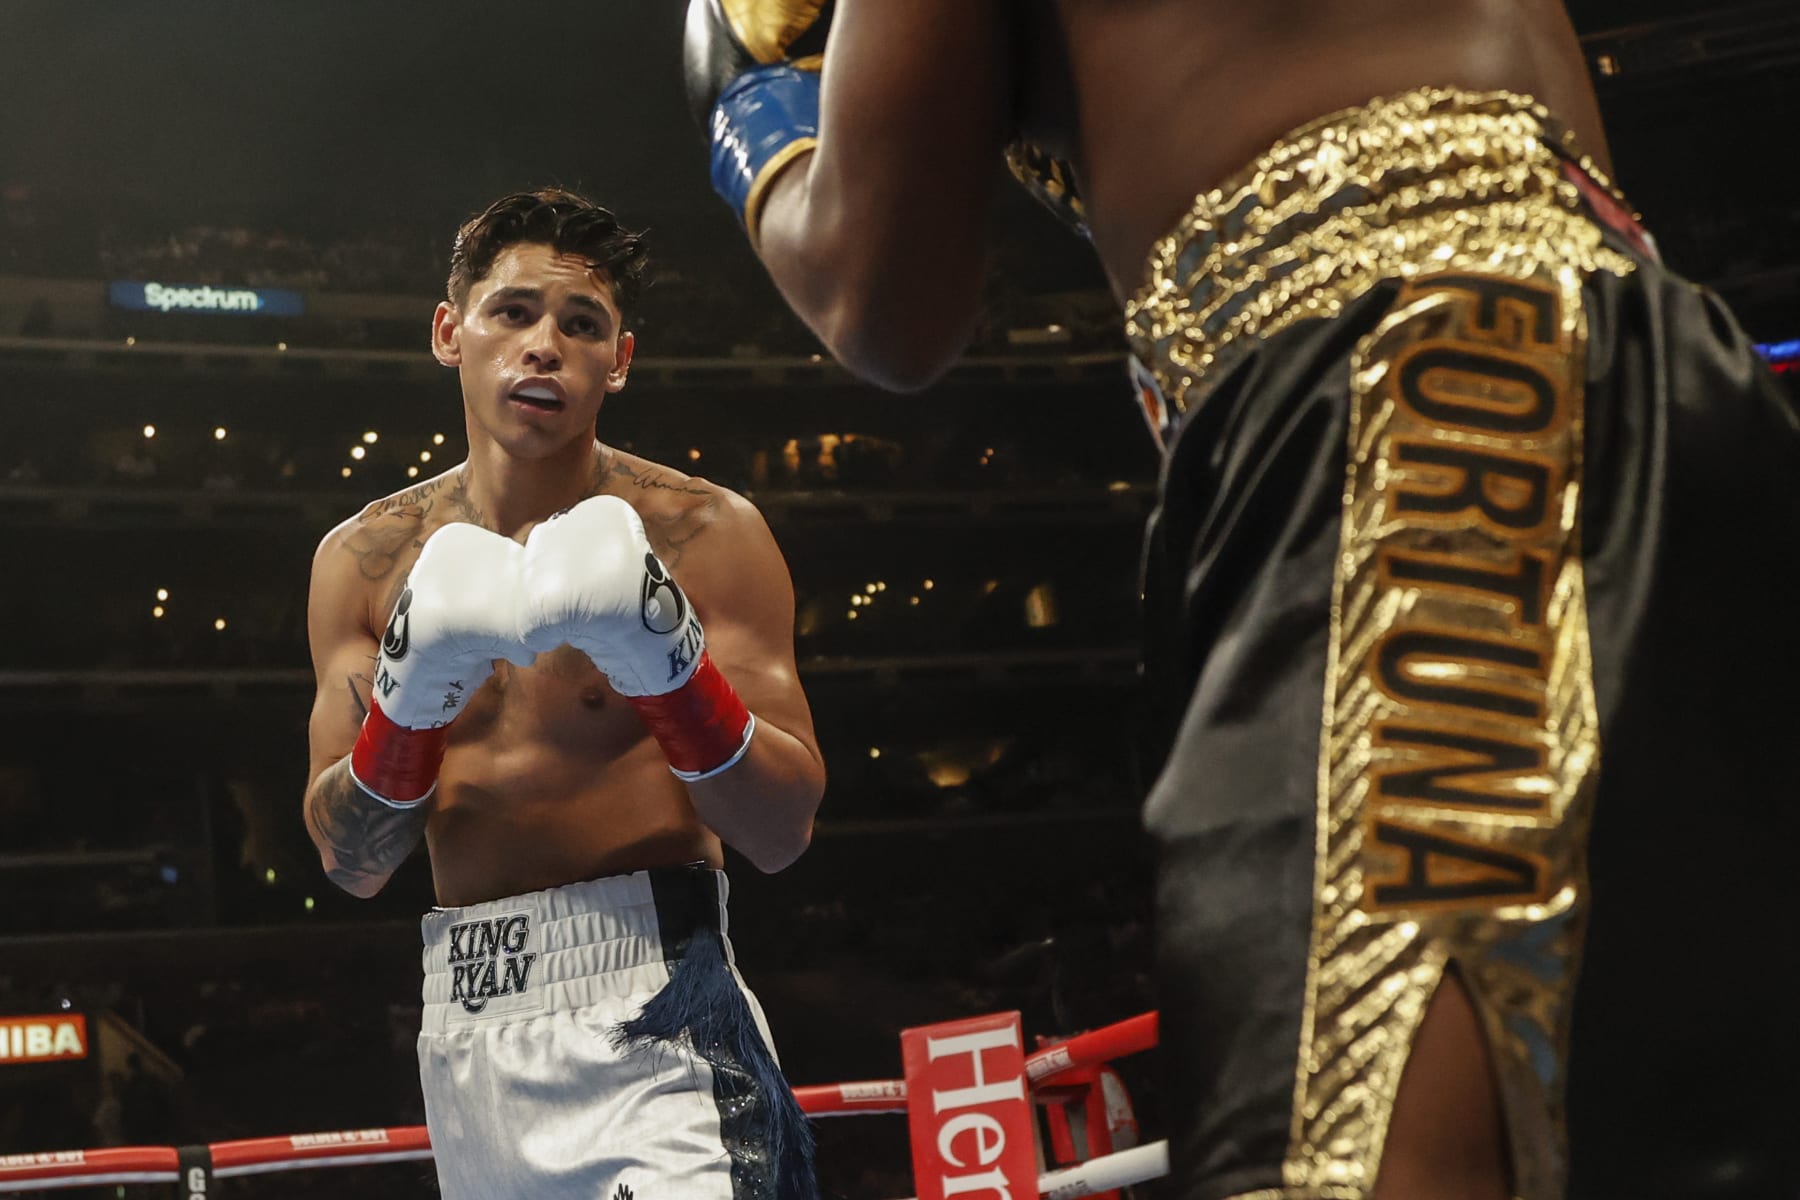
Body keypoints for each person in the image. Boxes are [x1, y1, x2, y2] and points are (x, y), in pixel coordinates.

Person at [683, 4, 1800, 1199]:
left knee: (1339, 1157)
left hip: (1415, 396)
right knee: (1667, 1132)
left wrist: (761, 126)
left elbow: (883, 294)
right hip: (1660, 377)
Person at [302, 188, 824, 1200]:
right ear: (452, 334)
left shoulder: (708, 533)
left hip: (659, 1004)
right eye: (514, 313)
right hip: (467, 1032)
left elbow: (782, 830)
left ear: (618, 360)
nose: (544, 345)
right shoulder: (361, 562)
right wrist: (407, 715)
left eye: (580, 325)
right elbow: (349, 860)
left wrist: (668, 671)